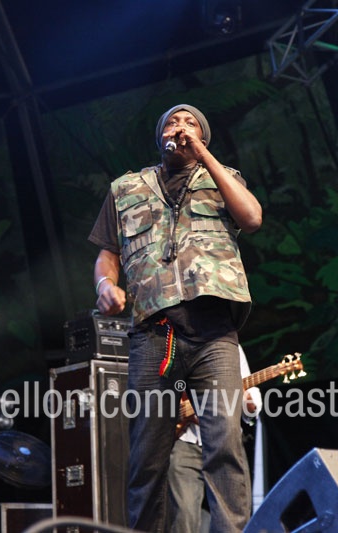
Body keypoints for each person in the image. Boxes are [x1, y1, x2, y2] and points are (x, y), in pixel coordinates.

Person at [89, 104, 262, 532]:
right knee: (146, 459)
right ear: (159, 135)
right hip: (154, 335)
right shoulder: (126, 188)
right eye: (172, 121)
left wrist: (203, 155)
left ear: (203, 136)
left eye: (191, 123)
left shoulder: (224, 178)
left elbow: (252, 218)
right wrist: (105, 286)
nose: (180, 127)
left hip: (214, 333)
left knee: (225, 446)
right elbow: (108, 254)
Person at [168, 346, 262, 533]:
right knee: (183, 518)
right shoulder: (176, 342)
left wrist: (249, 403)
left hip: (226, 442)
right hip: (185, 440)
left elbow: (250, 406)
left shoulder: (232, 346)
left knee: (232, 516)